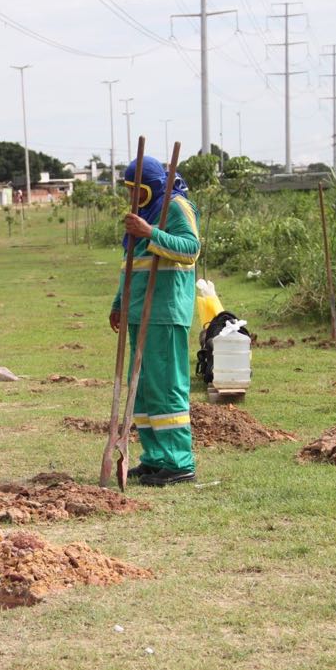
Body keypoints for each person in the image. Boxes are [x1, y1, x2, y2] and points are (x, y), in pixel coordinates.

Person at [109, 156, 201, 487]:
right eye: (130, 190)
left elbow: (191, 249)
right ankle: (155, 458)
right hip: (138, 312)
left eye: (139, 190)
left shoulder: (175, 208)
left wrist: (151, 232)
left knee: (166, 387)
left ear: (154, 186)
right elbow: (130, 263)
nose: (133, 197)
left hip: (165, 311)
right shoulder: (139, 217)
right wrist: (119, 302)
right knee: (144, 389)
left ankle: (179, 462)